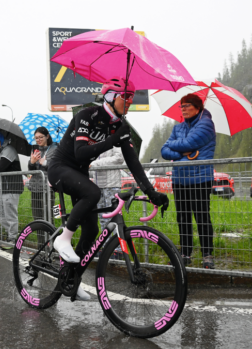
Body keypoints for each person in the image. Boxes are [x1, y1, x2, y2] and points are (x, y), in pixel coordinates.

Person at [47, 76, 169, 301]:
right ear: (111, 97)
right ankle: (63, 238)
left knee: (92, 231)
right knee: (93, 193)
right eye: (126, 97)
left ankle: (71, 278)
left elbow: (133, 163)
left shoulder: (120, 127)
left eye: (132, 97)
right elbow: (81, 152)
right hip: (60, 168)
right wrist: (112, 140)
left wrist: (152, 193)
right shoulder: (87, 116)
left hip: (79, 174)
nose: (130, 101)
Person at [161, 93, 216, 269]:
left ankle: (207, 255)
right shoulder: (178, 128)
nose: (183, 109)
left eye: (187, 105)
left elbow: (189, 143)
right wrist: (182, 153)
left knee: (202, 217)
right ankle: (185, 253)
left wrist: (178, 149)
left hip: (200, 178)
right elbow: (164, 150)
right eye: (181, 106)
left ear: (197, 107)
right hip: (180, 179)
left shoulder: (206, 124)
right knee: (183, 217)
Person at [90, 147, 125, 229]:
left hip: (112, 185)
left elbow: (119, 158)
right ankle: (106, 242)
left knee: (114, 219)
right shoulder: (94, 139)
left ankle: (117, 241)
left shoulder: (114, 137)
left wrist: (97, 163)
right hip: (98, 185)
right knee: (103, 219)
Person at [27, 127, 58, 221]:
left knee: (48, 217)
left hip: (47, 188)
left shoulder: (55, 148)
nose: (38, 140)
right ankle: (41, 236)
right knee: (37, 217)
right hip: (35, 187)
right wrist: (32, 162)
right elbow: (31, 169)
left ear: (47, 136)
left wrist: (45, 163)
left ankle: (50, 236)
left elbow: (56, 166)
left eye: (41, 137)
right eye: (36, 138)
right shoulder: (35, 149)